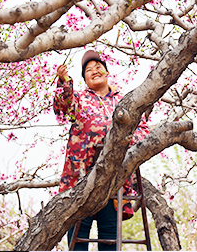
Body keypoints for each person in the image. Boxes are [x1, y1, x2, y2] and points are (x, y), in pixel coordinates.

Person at [54, 50, 149, 251]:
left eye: (98, 67)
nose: (94, 71)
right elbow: (63, 105)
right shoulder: (79, 99)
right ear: (85, 80)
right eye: (88, 70)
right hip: (81, 180)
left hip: (113, 182)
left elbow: (141, 130)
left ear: (107, 72)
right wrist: (64, 82)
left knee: (109, 240)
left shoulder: (124, 101)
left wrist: (129, 144)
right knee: (78, 237)